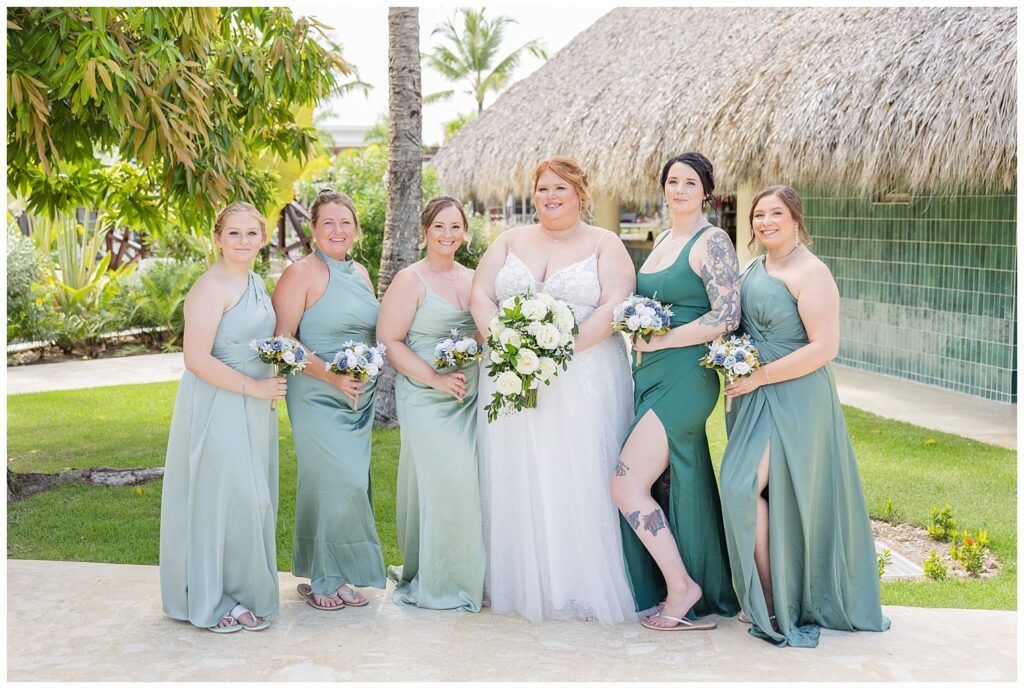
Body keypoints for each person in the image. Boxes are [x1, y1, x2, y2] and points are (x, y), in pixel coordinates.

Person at [720, 185, 890, 647]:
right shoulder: (754, 266)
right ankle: (770, 594)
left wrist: (760, 376)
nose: (765, 221)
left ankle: (775, 602)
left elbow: (825, 347)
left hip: (794, 396)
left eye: (776, 213)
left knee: (741, 487)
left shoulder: (812, 272)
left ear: (797, 219)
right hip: (752, 394)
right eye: (759, 214)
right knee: (768, 495)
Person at [470, 156, 638, 624]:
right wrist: (502, 342)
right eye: (542, 189)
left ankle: (578, 584)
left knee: (576, 470)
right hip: (510, 375)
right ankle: (519, 578)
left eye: (560, 189)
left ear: (580, 194)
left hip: (583, 377)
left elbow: (615, 305)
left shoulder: (605, 243)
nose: (550, 197)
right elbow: (480, 295)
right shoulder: (509, 239)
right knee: (516, 469)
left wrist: (557, 356)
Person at [610, 152, 742, 631]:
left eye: (690, 182)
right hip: (650, 373)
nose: (680, 189)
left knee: (626, 484)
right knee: (657, 485)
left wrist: (662, 337)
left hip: (686, 377)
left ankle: (682, 586)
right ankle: (676, 581)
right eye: (672, 181)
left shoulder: (714, 241)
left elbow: (726, 315)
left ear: (706, 190)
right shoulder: (664, 238)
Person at [160, 202, 286, 633]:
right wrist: (256, 388)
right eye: (234, 233)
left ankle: (243, 592)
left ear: (263, 238)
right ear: (217, 238)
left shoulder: (254, 282)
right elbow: (195, 359)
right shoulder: (210, 287)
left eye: (252, 233)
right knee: (223, 501)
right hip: (218, 404)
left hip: (253, 405)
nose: (244, 241)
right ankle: (215, 599)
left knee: (253, 501)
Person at [272, 188, 385, 611]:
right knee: (335, 482)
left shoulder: (361, 274)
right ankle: (323, 577)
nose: (337, 230)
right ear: (314, 230)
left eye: (345, 222)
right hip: (317, 393)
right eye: (328, 223)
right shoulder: (299, 274)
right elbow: (282, 342)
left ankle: (339, 576)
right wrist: (331, 374)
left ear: (355, 228)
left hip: (357, 396)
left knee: (352, 484)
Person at [377, 196, 485, 611]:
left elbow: (483, 332)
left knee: (471, 486)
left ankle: (467, 573)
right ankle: (443, 583)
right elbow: (390, 341)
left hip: (470, 396)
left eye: (455, 226)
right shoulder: (410, 279)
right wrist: (436, 379)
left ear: (465, 232)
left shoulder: (474, 278)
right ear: (425, 230)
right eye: (439, 226)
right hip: (426, 395)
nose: (447, 234)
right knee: (449, 483)